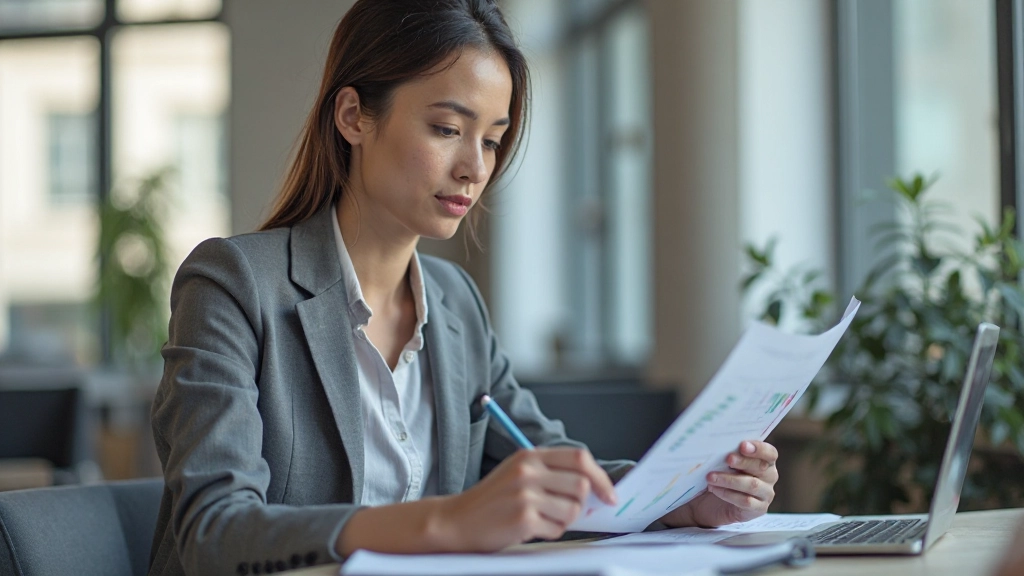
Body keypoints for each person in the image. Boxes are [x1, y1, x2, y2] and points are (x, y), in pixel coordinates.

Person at [147, 1, 780, 575]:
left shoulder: (453, 305)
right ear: (353, 116)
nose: (475, 168)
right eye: (448, 129)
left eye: (493, 140)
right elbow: (214, 531)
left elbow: (546, 462)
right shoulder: (233, 284)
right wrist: (446, 522)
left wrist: (683, 500)